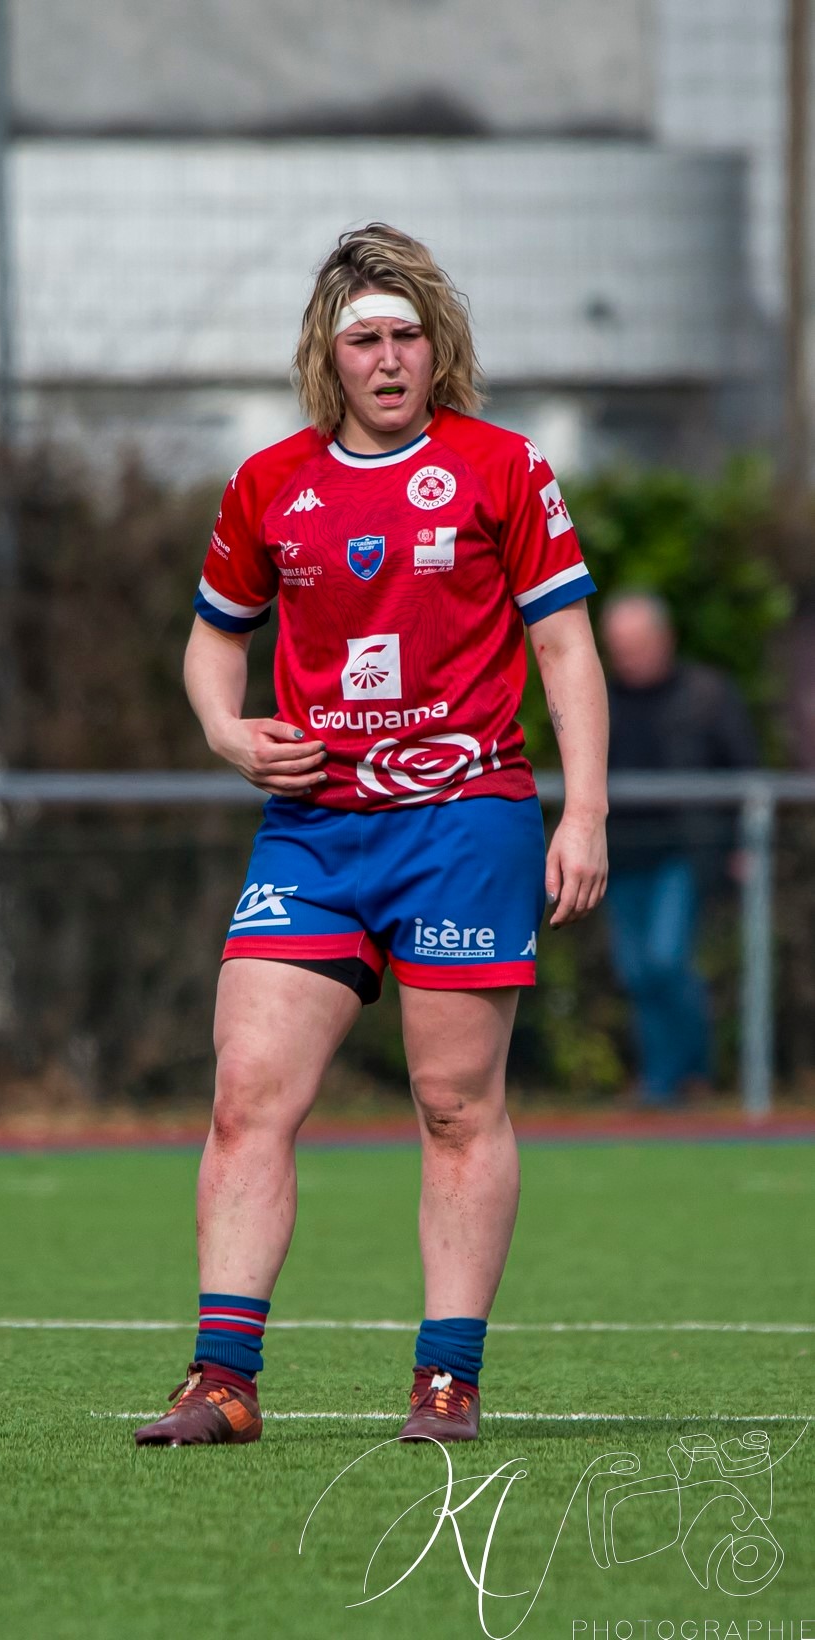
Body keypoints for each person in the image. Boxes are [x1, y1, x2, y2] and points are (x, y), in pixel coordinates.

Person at [134, 223, 609, 1449]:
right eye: (365, 341)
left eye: (406, 336)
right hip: (315, 833)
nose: (388, 359)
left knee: (454, 1104)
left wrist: (585, 808)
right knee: (247, 1091)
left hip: (466, 823)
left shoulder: (505, 468)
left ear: (434, 346)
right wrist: (226, 733)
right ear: (328, 356)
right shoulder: (268, 483)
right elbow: (211, 637)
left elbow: (565, 647)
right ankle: (222, 1380)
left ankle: (446, 1377)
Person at [602, 592, 760, 1105]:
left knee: (666, 960)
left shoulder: (707, 694)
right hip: (619, 856)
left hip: (683, 854)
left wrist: (742, 843)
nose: (629, 658)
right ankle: (667, 1078)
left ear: (664, 640)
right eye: (619, 649)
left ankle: (679, 1077)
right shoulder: (600, 698)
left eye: (637, 646)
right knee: (637, 972)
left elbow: (744, 771)